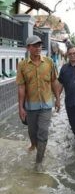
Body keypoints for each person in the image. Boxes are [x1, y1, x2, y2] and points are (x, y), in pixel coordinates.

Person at [16, 35, 60, 172]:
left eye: (40, 45)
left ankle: (39, 161)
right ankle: (34, 144)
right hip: (31, 105)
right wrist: (20, 107)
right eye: (35, 45)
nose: (38, 48)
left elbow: (53, 81)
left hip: (46, 105)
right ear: (28, 48)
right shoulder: (22, 65)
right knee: (32, 131)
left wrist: (58, 99)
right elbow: (21, 87)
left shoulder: (49, 62)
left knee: (43, 132)